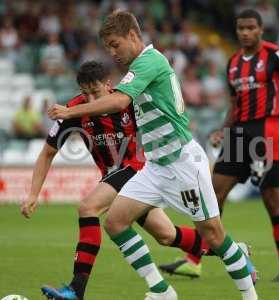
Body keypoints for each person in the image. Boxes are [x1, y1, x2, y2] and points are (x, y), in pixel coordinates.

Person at [48, 11, 259, 300]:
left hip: (183, 162)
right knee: (115, 222)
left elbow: (120, 100)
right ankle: (162, 291)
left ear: (133, 36)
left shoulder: (150, 60)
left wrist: (70, 111)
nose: (112, 52)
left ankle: (249, 293)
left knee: (214, 235)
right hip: (156, 167)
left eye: (115, 44)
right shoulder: (138, 68)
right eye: (108, 47)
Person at [22, 61, 244, 300]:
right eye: (84, 93)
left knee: (88, 208)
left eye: (95, 92)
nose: (89, 99)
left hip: (139, 169)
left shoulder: (126, 102)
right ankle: (234, 252)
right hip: (116, 178)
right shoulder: (74, 110)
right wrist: (33, 194)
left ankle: (77, 289)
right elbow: (47, 152)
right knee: (167, 235)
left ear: (108, 85)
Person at [160, 9, 279, 282]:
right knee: (212, 195)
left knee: (272, 200)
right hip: (239, 134)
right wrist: (224, 130)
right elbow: (235, 104)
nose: (245, 32)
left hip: (267, 132)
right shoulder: (233, 62)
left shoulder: (277, 55)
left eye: (250, 27)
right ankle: (194, 261)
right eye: (241, 28)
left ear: (261, 29)